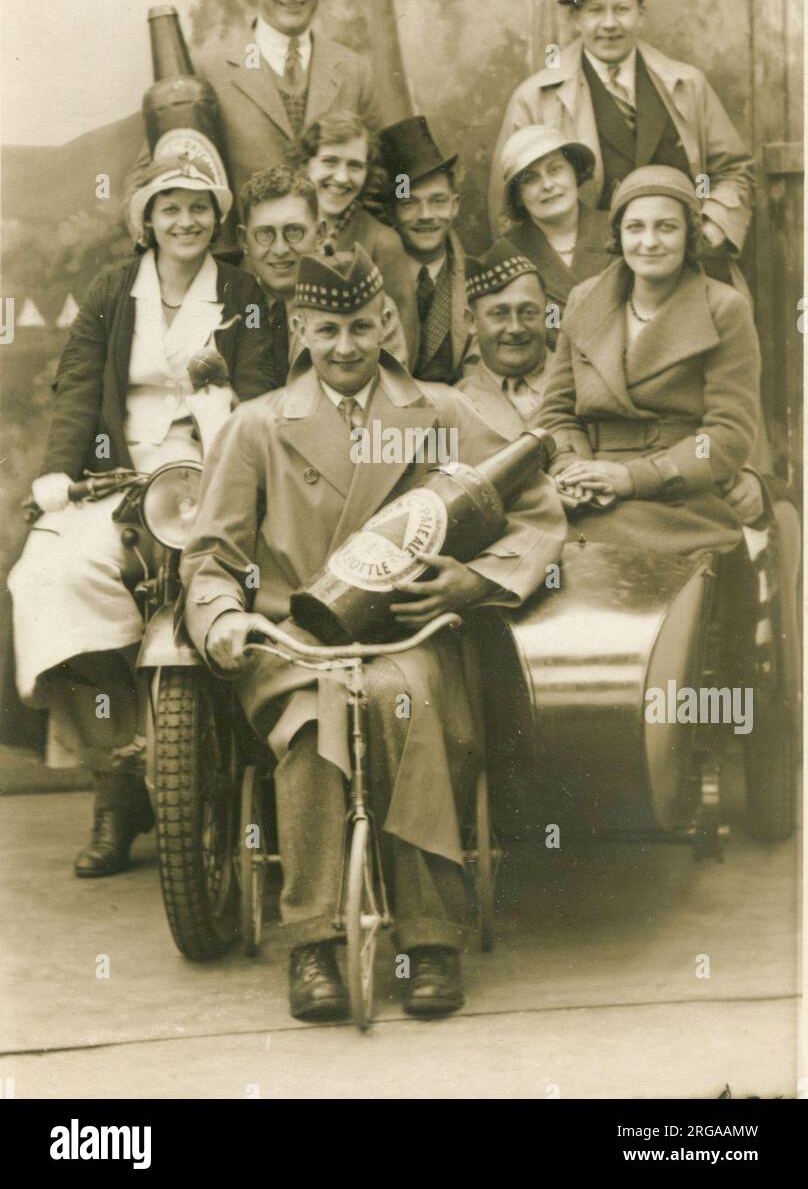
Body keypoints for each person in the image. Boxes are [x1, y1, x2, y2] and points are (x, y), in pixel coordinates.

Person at [180, 249, 565, 1022]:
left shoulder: (443, 411)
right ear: (300, 327)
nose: (348, 346)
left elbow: (535, 513)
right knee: (315, 726)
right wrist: (223, 618)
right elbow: (211, 556)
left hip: (409, 636)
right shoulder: (256, 428)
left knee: (403, 706)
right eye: (328, 329)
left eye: (362, 326)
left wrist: (473, 582)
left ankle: (430, 940)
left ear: (385, 321)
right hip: (295, 641)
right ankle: (315, 942)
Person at [8, 153, 276, 878]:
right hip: (118, 478)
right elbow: (76, 386)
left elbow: (260, 393)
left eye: (198, 207)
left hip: (213, 477)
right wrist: (61, 471)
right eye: (169, 207)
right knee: (49, 575)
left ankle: (237, 783)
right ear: (145, 219)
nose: (185, 221)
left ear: (216, 216)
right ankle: (119, 778)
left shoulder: (246, 293)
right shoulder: (111, 290)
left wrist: (217, 440)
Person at [490, 0, 754, 287]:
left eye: (621, 9)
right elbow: (509, 211)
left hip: (691, 273)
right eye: (596, 11)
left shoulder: (687, 85)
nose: (609, 24)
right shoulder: (536, 97)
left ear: (641, 13)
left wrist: (709, 230)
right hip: (588, 284)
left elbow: (734, 173)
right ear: (576, 18)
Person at [130, 0, 384, 255]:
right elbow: (148, 179)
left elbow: (378, 183)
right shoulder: (206, 72)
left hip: (333, 286)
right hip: (238, 280)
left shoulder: (355, 71)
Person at [538, 166, 762, 554]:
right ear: (618, 235)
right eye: (635, 228)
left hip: (680, 498)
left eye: (666, 228)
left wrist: (631, 477)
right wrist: (572, 471)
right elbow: (555, 413)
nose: (649, 242)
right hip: (585, 493)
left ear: (689, 236)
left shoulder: (724, 308)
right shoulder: (584, 299)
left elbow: (729, 434)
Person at [238, 164, 409, 379]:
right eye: (265, 234)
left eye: (294, 232)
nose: (280, 249)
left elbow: (391, 394)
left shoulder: (367, 307)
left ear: (320, 234)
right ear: (244, 240)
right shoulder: (231, 307)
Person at [299, 109, 419, 362]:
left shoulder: (383, 242)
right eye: (330, 161)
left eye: (354, 165)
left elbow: (403, 347)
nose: (341, 178)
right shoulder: (287, 230)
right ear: (306, 163)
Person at [378, 115, 472, 382]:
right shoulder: (375, 276)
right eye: (409, 203)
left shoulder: (477, 274)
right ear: (392, 212)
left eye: (438, 201)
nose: (426, 215)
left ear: (455, 205)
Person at [497, 125, 612, 341]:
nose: (548, 185)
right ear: (518, 195)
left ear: (574, 172)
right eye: (530, 178)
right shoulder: (506, 254)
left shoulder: (620, 231)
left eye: (555, 169)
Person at [457, 246, 550, 437]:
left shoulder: (581, 381)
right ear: (471, 322)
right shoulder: (456, 405)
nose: (515, 328)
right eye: (499, 314)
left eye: (528, 312)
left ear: (548, 315)